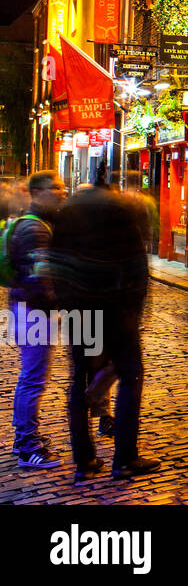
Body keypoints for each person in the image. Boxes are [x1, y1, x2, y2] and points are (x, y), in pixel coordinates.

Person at [43, 183, 158, 482]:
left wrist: (67, 304)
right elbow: (137, 266)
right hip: (118, 310)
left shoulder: (67, 215)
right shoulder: (121, 211)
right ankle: (125, 458)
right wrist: (135, 310)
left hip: (81, 311)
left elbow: (56, 265)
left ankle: (84, 461)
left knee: (80, 378)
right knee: (130, 375)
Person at [7, 172, 66, 468]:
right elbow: (40, 278)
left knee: (32, 378)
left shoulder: (35, 223)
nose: (62, 192)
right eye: (55, 188)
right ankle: (27, 446)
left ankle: (29, 438)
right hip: (34, 313)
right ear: (37, 192)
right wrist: (59, 307)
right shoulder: (35, 229)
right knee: (32, 380)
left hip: (28, 308)